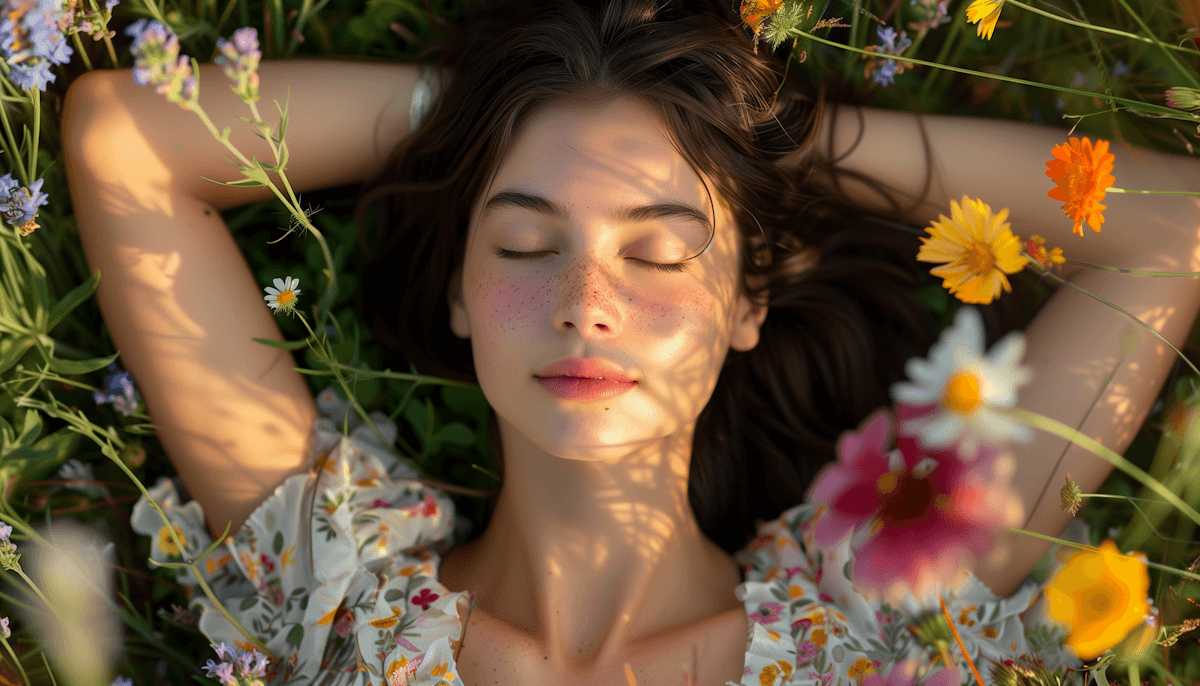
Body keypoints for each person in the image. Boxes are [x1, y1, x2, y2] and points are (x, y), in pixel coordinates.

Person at [61, 0, 1200, 684]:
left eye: (659, 252)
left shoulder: (880, 609)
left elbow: (1168, 232)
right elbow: (126, 138)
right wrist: (486, 109)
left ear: (748, 297)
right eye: (520, 243)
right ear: (458, 289)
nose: (585, 300)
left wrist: (775, 141)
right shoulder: (335, 592)